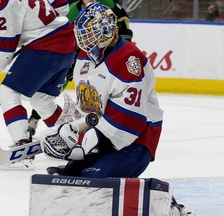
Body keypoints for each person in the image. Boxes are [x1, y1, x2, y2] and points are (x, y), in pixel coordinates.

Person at [40, 2, 163, 178]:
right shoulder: (85, 56)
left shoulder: (129, 61)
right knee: (68, 178)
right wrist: (74, 128)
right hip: (102, 136)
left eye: (88, 35)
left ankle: (159, 203)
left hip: (136, 141)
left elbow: (130, 121)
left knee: (93, 182)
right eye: (82, 36)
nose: (83, 42)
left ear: (105, 31)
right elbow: (91, 107)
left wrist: (86, 146)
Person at [0, 0, 76, 149]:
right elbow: (61, 5)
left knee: (7, 93)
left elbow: (5, 46)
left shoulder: (3, 3)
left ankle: (22, 144)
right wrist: (34, 30)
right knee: (41, 98)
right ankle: (70, 138)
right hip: (67, 41)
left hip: (46, 47)